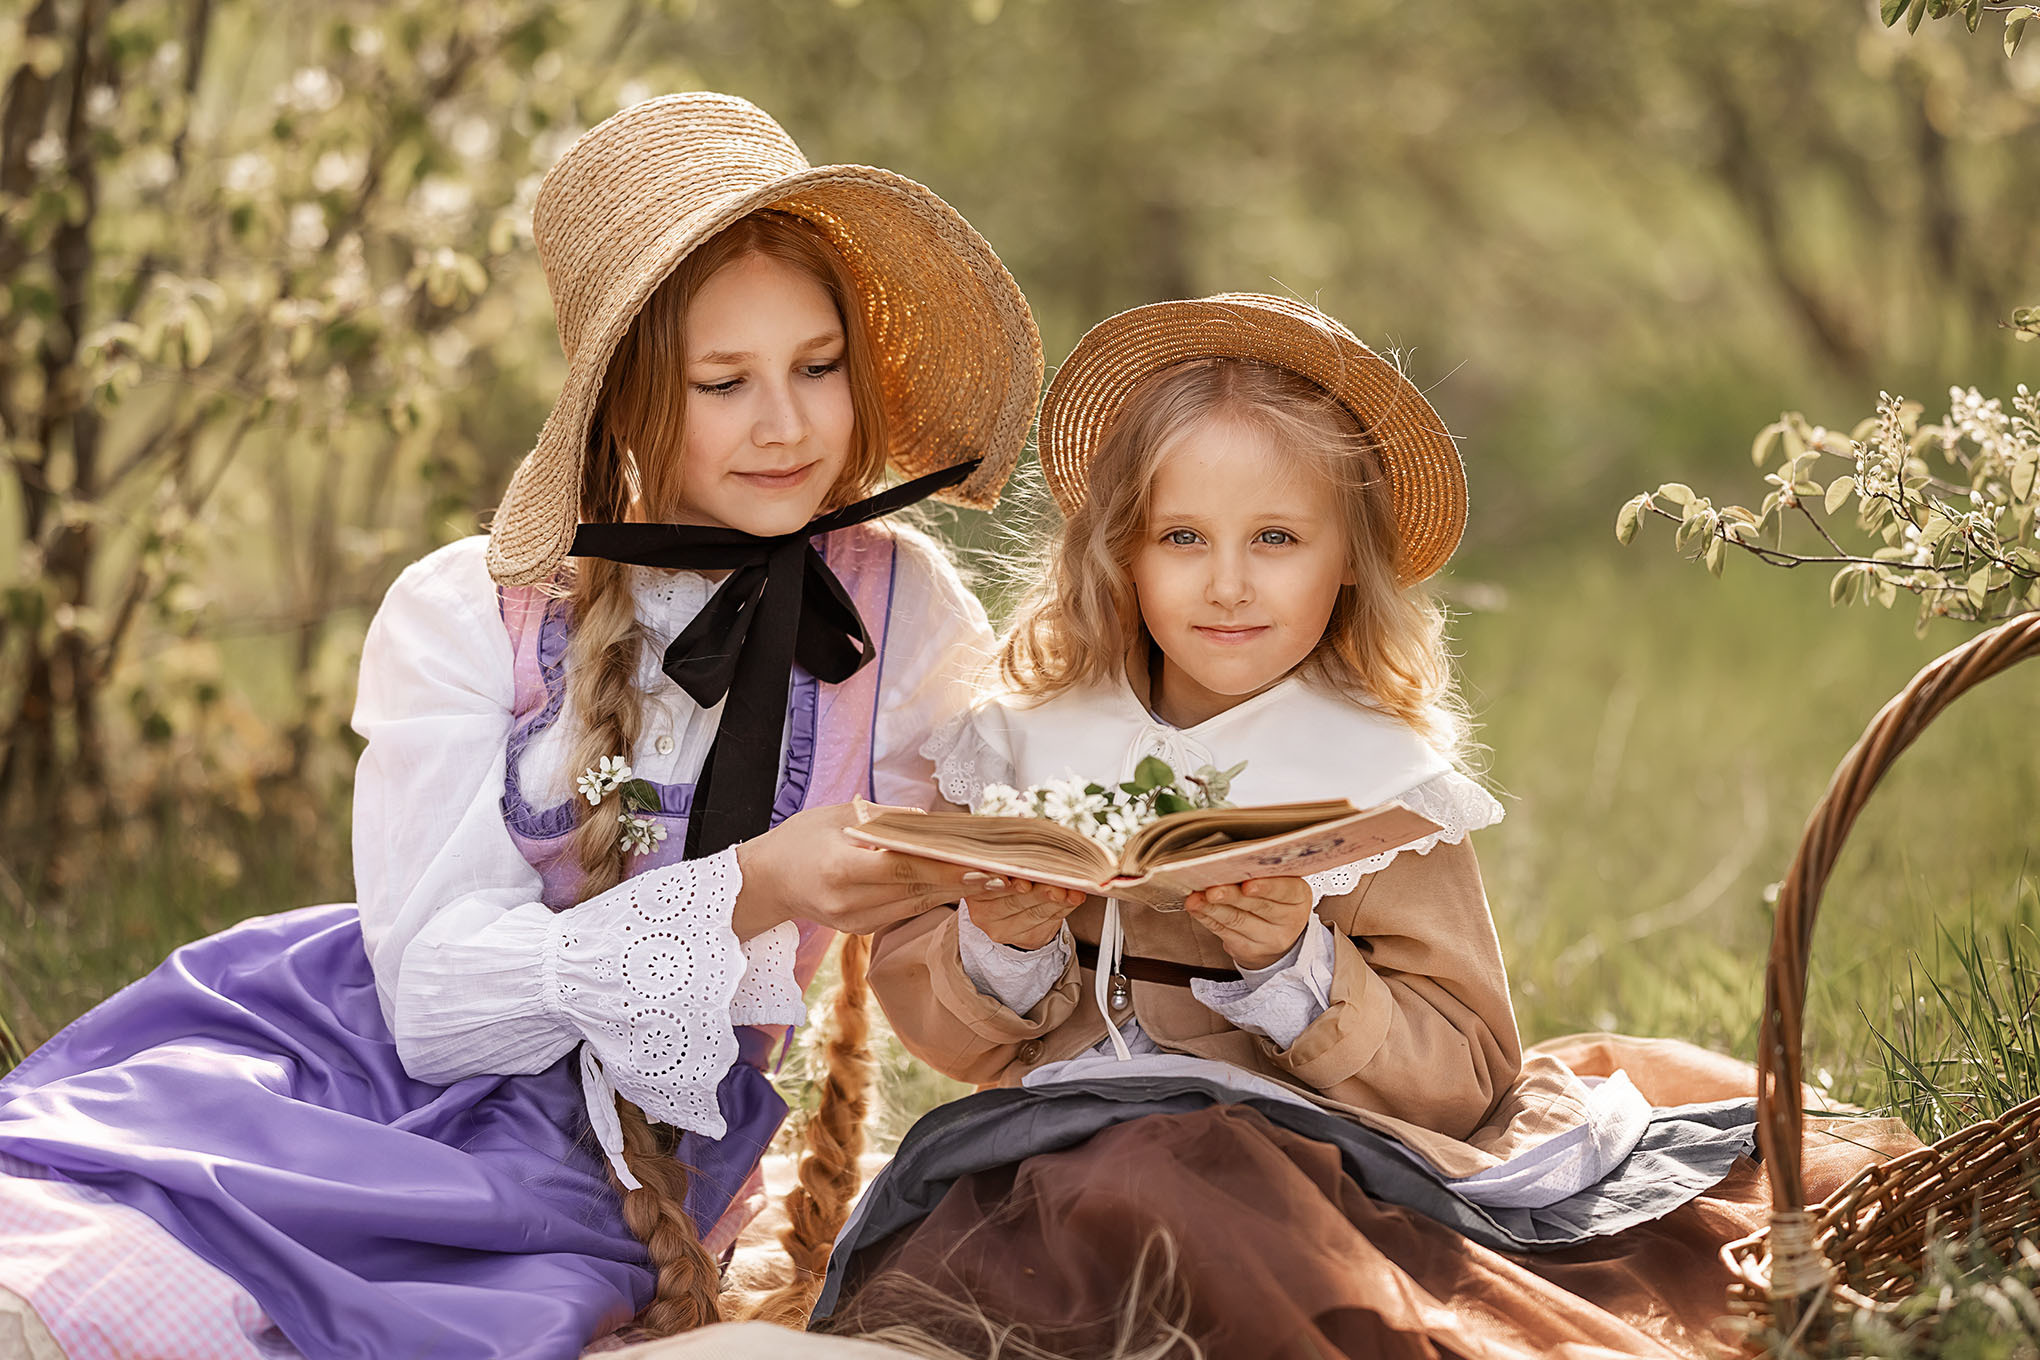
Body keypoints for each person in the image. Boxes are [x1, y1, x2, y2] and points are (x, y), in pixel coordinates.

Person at [0, 92, 1040, 1360]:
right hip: (336, 1063)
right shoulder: (470, 608)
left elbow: (993, 922)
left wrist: (1032, 886)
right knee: (99, 1268)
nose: (786, 423)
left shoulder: (905, 610)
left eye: (817, 366)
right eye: (725, 382)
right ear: (625, 397)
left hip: (623, 1142)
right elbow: (434, 1005)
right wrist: (754, 883)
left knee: (466, 1297)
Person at [817, 295, 1912, 1359]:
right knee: (1084, 1214)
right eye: (1184, 536)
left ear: (1347, 560)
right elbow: (941, 1028)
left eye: (1279, 537)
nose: (1230, 583)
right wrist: (1003, 941)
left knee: (1189, 1193)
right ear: (1124, 550)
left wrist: (1294, 962)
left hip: (1306, 1172)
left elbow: (1470, 1072)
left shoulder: (1376, 781)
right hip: (1043, 1161)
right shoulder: (1021, 742)